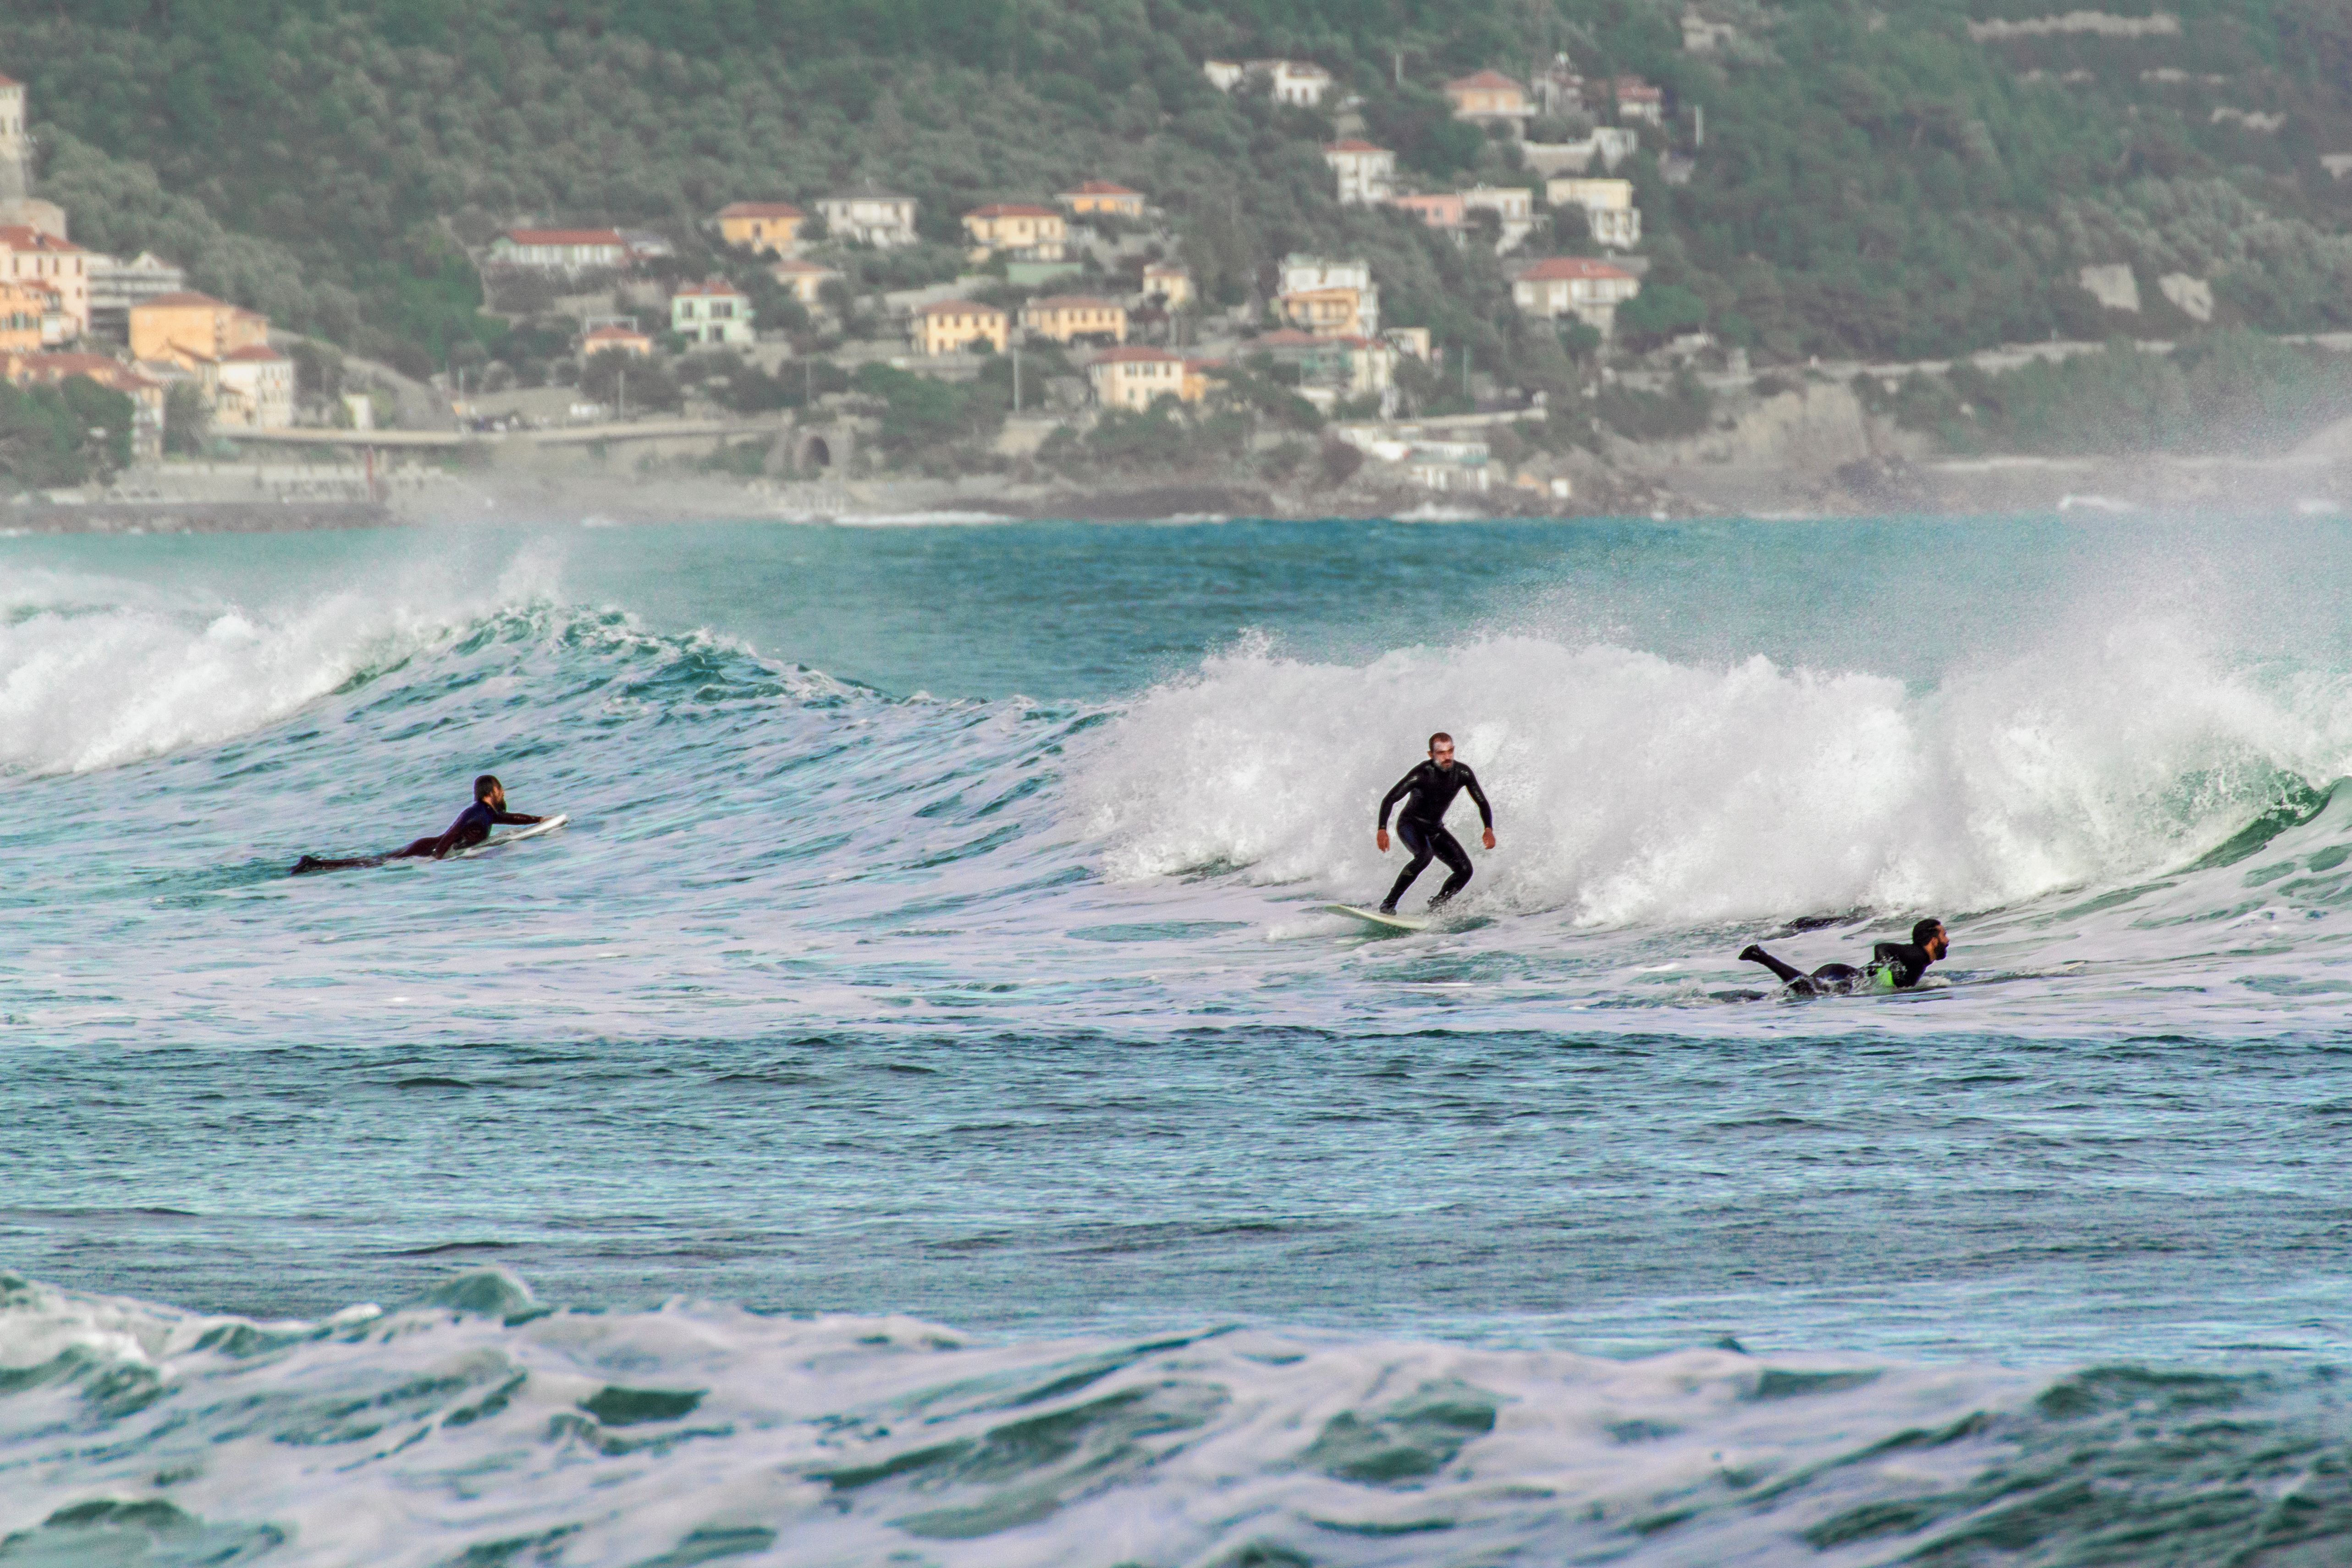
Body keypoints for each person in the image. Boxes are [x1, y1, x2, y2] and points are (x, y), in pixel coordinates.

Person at [292, 775, 545, 874]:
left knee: (374, 861)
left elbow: (510, 818)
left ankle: (316, 863)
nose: (503, 795)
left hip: (427, 846)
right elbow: (454, 833)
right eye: (501, 791)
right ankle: (316, 864)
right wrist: (438, 857)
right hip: (426, 848)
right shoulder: (477, 812)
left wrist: (539, 821)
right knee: (371, 863)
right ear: (493, 791)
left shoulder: (485, 812)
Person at [1375, 732, 1496, 913]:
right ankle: (1389, 904)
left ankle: (1438, 905)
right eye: (1441, 753)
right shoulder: (1421, 775)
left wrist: (1488, 828)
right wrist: (1382, 829)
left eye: (1450, 751)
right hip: (1410, 825)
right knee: (1424, 856)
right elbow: (1390, 799)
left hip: (1435, 828)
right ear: (1431, 755)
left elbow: (1482, 803)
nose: (1447, 757)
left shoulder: (1463, 773)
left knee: (1465, 870)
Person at [1738, 919, 1950, 996]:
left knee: (1798, 991)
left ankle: (1748, 997)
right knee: (1805, 989)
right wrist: (1890, 975)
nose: (1948, 941)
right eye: (1944, 935)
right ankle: (1761, 956)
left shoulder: (1918, 957)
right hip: (1844, 976)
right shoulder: (1918, 954)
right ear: (1933, 940)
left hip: (1841, 973)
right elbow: (1883, 948)